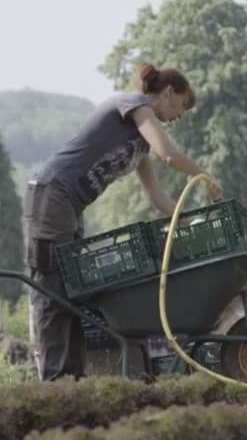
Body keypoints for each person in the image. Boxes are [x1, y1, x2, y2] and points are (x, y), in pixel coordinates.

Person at [23, 62, 224, 381]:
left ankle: (72, 380)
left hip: (69, 206)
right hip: (51, 196)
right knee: (53, 289)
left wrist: (188, 222)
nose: (180, 116)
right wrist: (205, 177)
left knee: (71, 291)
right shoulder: (134, 105)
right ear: (169, 92)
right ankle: (53, 382)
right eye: (181, 105)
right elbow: (169, 155)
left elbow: (157, 198)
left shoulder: (139, 144)